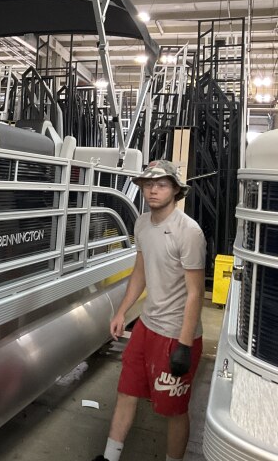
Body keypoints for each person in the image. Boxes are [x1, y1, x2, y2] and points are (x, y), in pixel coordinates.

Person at [92, 159, 206, 461]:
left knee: (174, 410)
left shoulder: (189, 232)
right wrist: (122, 312)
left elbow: (196, 293)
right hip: (147, 326)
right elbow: (140, 271)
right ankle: (110, 457)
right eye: (148, 184)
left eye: (162, 185)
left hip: (176, 334)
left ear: (176, 190)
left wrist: (184, 345)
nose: (153, 190)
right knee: (127, 391)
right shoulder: (142, 223)